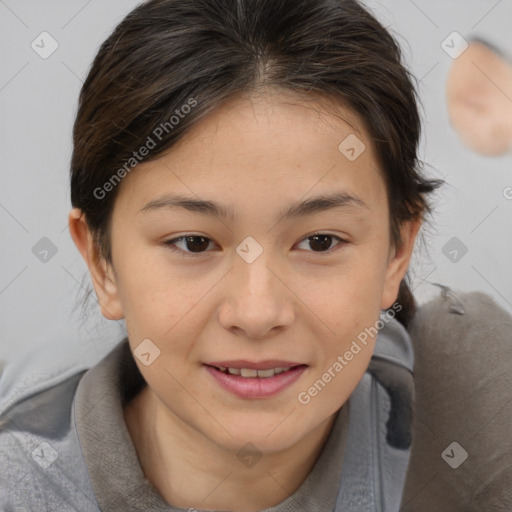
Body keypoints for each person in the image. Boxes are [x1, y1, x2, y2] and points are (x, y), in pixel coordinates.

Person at [0, 0, 443, 510]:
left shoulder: (476, 451)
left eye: (320, 241)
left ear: (396, 252)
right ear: (103, 262)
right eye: (193, 242)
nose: (257, 314)